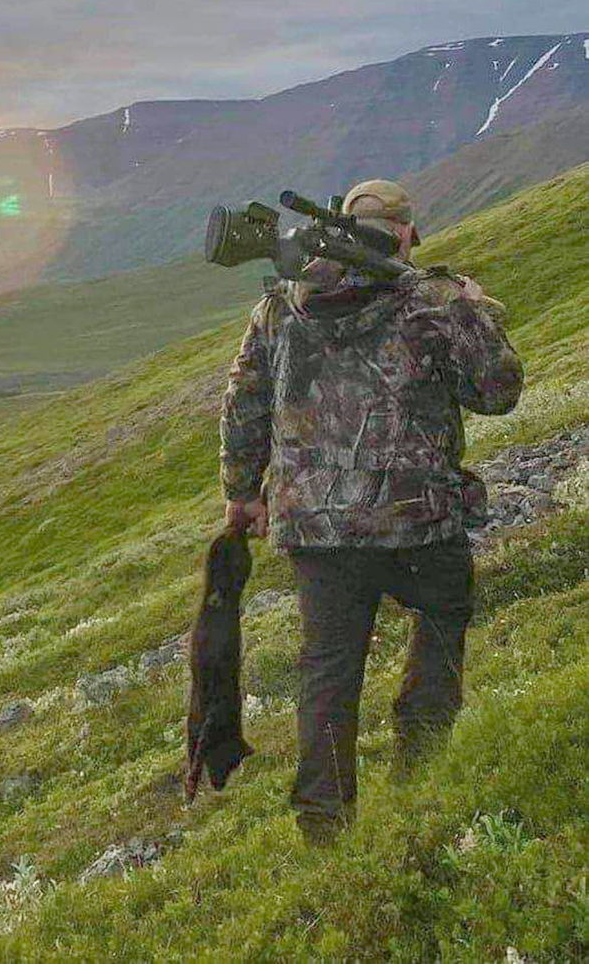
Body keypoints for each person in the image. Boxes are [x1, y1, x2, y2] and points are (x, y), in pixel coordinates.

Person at [218, 179, 523, 845]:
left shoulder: (277, 307)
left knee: (328, 664)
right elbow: (497, 391)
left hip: (315, 526)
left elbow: (244, 403)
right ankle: (421, 766)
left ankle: (324, 825)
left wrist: (243, 492)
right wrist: (478, 308)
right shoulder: (433, 300)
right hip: (419, 517)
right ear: (406, 230)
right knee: (440, 617)